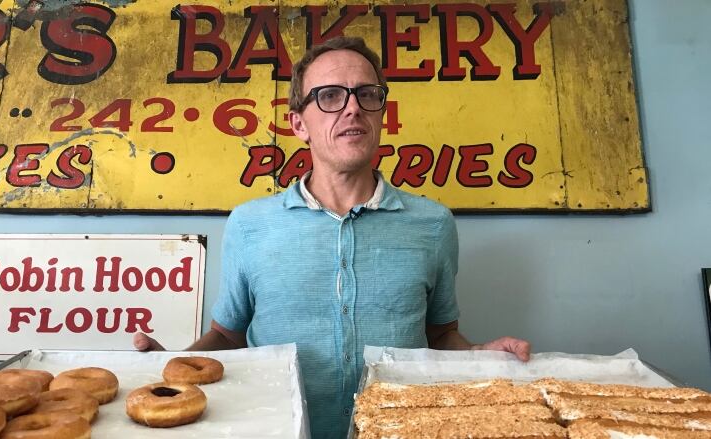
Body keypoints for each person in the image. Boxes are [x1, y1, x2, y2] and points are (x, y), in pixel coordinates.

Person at [134, 36, 530, 438]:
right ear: (298, 124)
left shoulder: (433, 223)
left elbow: (440, 335)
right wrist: (171, 368)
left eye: (366, 94)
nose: (353, 107)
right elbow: (227, 335)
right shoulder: (249, 225)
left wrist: (478, 357)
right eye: (330, 96)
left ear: (381, 114)